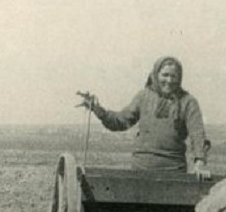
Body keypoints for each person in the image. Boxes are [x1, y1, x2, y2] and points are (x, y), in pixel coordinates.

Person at [78, 55, 211, 178]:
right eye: (165, 75)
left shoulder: (188, 102)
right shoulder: (143, 97)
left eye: (174, 76)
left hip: (174, 172)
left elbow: (197, 134)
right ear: (156, 75)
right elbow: (121, 121)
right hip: (140, 171)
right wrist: (98, 109)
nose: (169, 80)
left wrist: (200, 162)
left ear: (179, 78)